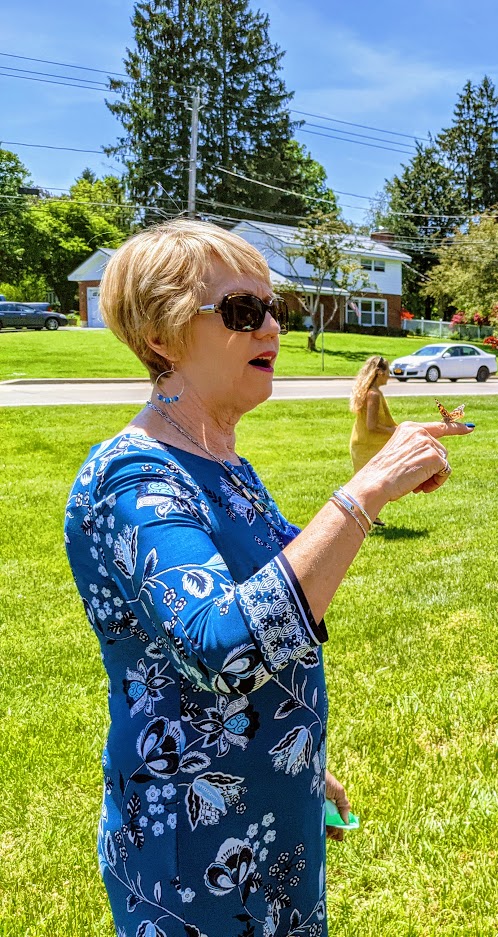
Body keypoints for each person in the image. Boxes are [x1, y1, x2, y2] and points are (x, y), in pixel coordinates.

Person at [64, 219, 470, 936]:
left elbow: (291, 597)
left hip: (271, 811)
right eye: (242, 311)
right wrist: (365, 491)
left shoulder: (226, 465)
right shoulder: (132, 477)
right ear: (162, 333)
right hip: (190, 852)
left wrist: (301, 765)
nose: (271, 327)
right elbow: (224, 645)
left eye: (273, 307)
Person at [350, 355, 397, 526]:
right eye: (388, 371)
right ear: (379, 372)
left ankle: (368, 515)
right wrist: (394, 431)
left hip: (363, 442)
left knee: (370, 482)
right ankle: (363, 515)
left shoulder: (371, 392)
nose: (389, 375)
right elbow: (371, 425)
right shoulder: (373, 394)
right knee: (372, 482)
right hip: (367, 445)